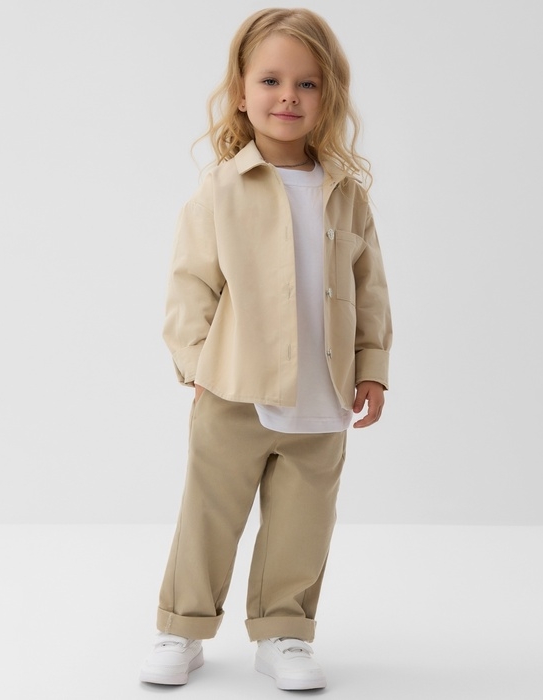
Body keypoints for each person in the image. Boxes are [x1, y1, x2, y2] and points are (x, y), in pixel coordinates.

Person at [139, 7, 392, 691]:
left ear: (329, 94)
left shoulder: (347, 195)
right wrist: (198, 365)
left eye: (308, 83)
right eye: (271, 81)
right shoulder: (222, 189)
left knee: (304, 523)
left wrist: (373, 368)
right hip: (234, 389)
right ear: (241, 91)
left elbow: (370, 290)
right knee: (209, 514)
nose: (288, 97)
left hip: (323, 394)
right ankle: (182, 626)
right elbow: (190, 285)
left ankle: (284, 632)